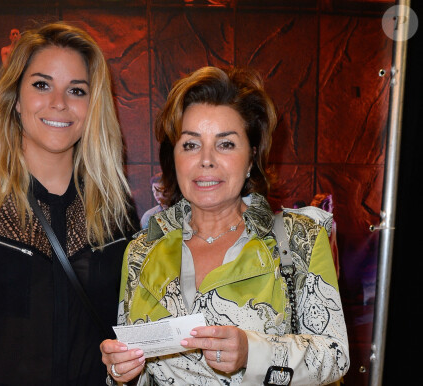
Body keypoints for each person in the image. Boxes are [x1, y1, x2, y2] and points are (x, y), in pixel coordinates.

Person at [101, 67, 349, 385]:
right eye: (190, 144)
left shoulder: (298, 238)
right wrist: (122, 372)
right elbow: (136, 368)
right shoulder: (142, 248)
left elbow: (335, 354)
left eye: (226, 144)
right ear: (173, 156)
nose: (206, 160)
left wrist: (252, 352)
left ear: (251, 157)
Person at [0, 22, 137, 385]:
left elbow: (128, 338)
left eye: (77, 90)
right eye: (42, 85)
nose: (59, 103)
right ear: (16, 99)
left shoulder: (117, 214)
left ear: (93, 105)